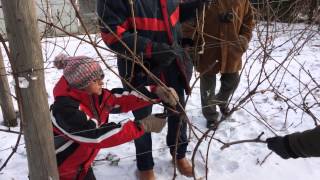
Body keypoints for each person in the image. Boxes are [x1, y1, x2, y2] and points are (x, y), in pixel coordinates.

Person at [97, 0, 211, 179]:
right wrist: (151, 48)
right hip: (137, 63)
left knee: (177, 108)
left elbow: (175, 13)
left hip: (171, 59)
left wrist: (197, 5)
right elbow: (111, 33)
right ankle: (145, 166)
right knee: (143, 116)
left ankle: (178, 154)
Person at [50, 54, 177, 180]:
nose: (101, 82)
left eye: (101, 76)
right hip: (60, 173)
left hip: (83, 167)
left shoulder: (92, 96)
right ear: (80, 84)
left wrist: (155, 92)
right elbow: (96, 136)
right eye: (95, 80)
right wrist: (141, 126)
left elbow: (120, 100)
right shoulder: (64, 110)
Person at [182, 0, 255, 128]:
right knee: (207, 86)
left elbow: (249, 20)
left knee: (233, 81)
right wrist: (189, 41)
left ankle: (221, 101)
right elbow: (188, 21)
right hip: (207, 49)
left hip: (232, 49)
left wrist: (244, 38)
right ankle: (210, 115)